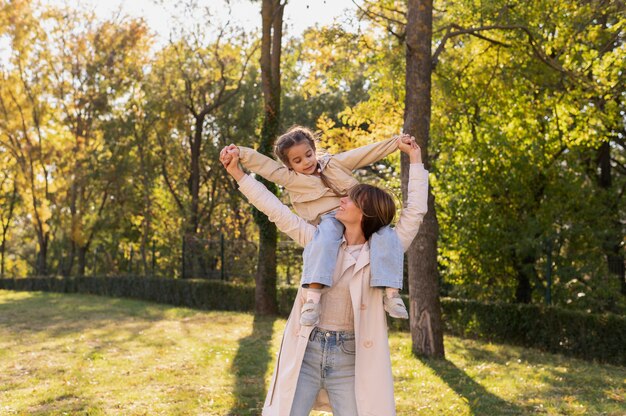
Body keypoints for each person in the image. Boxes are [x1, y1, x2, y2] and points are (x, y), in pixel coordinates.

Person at [220, 136, 428, 416]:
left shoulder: (387, 249)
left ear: (365, 212)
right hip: (307, 350)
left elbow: (415, 211)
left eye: (351, 199)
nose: (342, 200)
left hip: (351, 360)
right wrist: (237, 173)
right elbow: (275, 210)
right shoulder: (317, 239)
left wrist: (415, 160)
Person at [220, 126, 411, 327]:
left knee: (385, 234)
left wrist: (395, 143)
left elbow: (364, 154)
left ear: (314, 149)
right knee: (326, 238)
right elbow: (266, 166)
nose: (306, 162)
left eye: (308, 155)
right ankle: (313, 299)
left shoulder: (334, 163)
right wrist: (240, 153)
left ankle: (391, 294)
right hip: (330, 218)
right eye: (297, 161)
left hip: (357, 210)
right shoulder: (291, 179)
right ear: (289, 165)